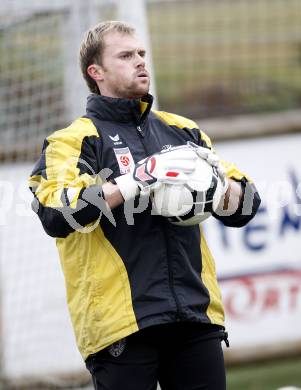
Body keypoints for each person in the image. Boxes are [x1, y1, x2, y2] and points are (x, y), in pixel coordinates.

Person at [29, 21, 261, 390]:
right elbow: (57, 212)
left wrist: (219, 185)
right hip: (121, 327)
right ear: (96, 72)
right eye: (125, 55)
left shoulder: (183, 131)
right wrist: (136, 180)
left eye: (141, 54)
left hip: (194, 318)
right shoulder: (70, 142)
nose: (139, 62)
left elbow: (246, 205)